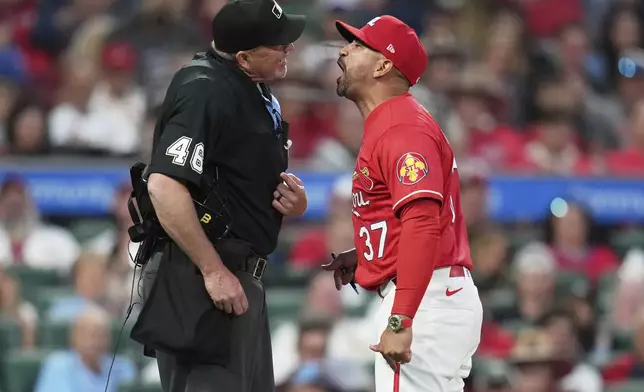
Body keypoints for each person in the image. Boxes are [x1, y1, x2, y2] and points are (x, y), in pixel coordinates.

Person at [129, 1, 308, 391]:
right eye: (277, 45)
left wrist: (289, 203)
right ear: (244, 57)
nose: (288, 49)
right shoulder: (205, 89)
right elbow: (164, 184)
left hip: (234, 276)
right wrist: (213, 270)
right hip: (203, 276)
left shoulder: (249, 88)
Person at [322, 15, 483, 391]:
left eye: (359, 45)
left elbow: (423, 223)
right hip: (435, 296)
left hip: (425, 303)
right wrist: (368, 254)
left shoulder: (402, 127)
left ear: (383, 65)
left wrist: (401, 321)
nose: (344, 51)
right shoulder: (394, 123)